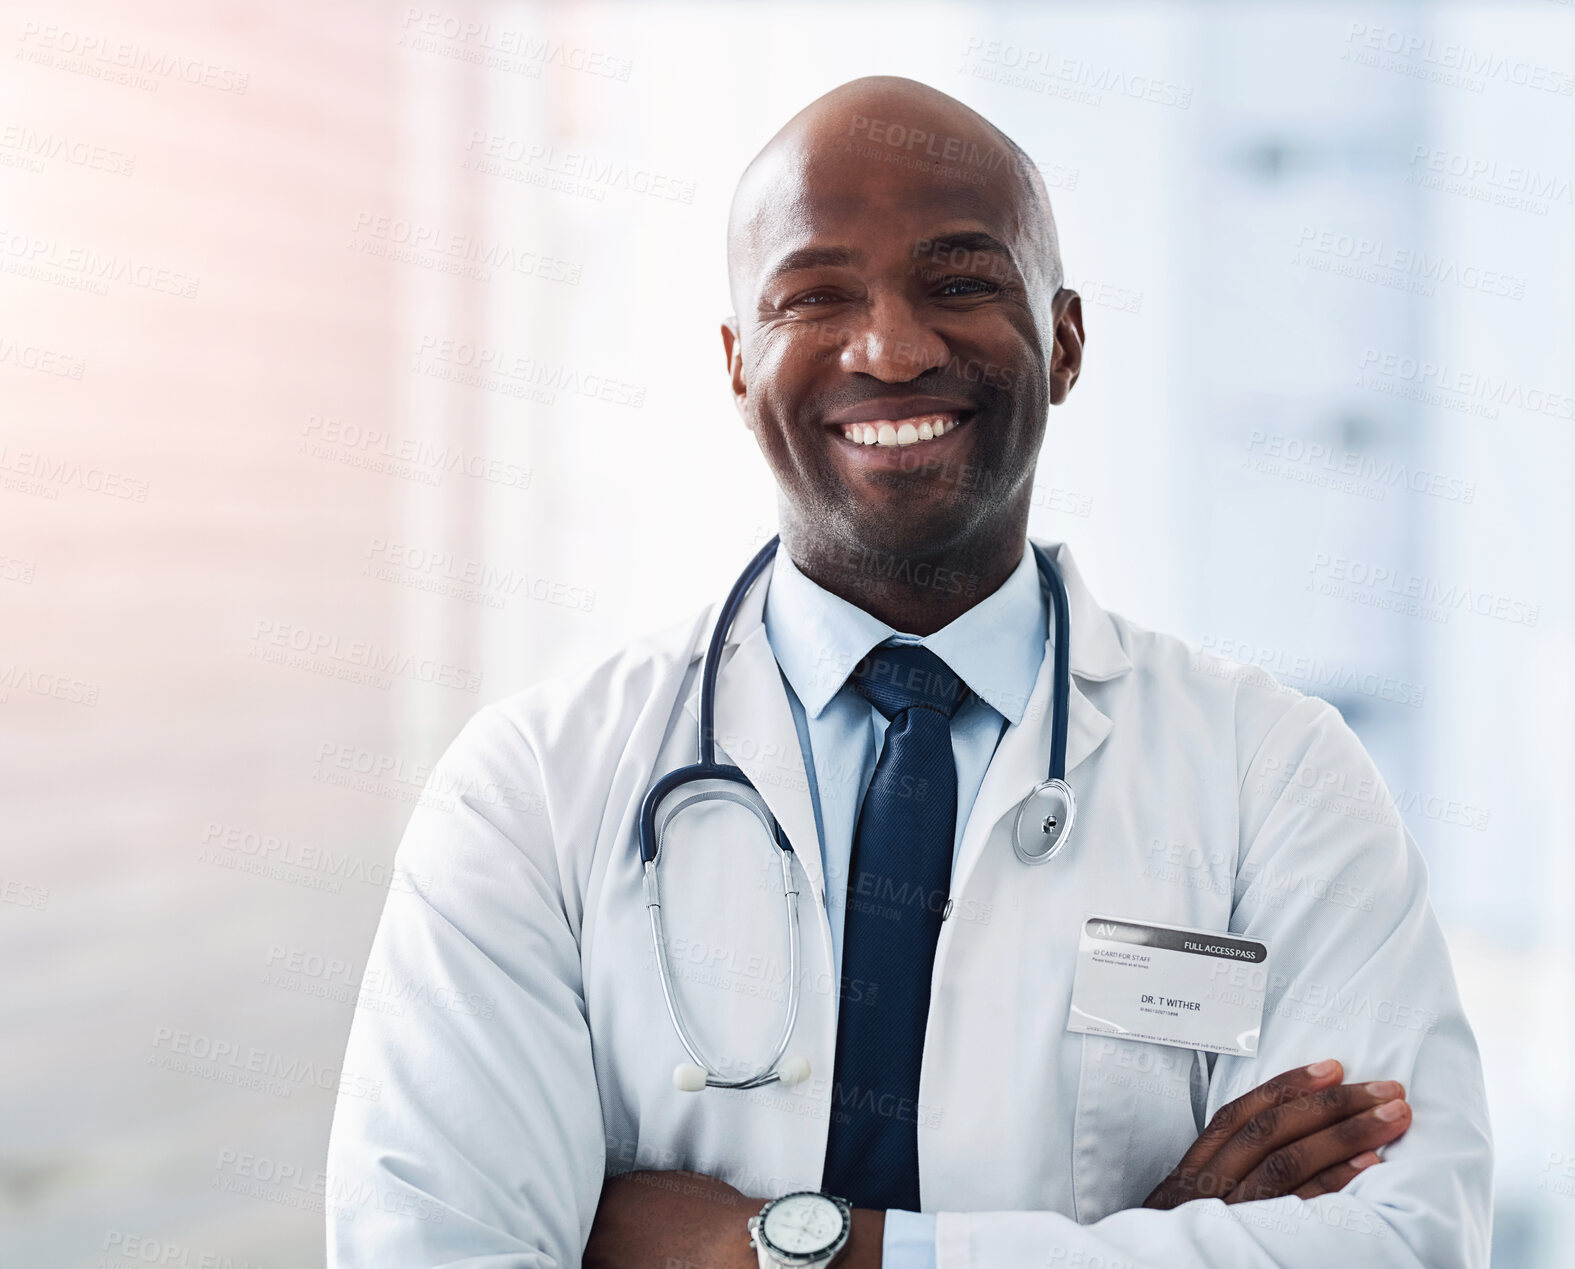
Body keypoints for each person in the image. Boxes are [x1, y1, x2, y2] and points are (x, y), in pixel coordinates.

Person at [326, 77, 1492, 1268]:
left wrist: (788, 1251)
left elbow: (1403, 1239)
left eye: (960, 283)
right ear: (738, 366)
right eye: (815, 295)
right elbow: (430, 1246)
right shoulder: (530, 791)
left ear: (1066, 341)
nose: (890, 347)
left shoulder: (1276, 779)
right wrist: (1137, 1247)